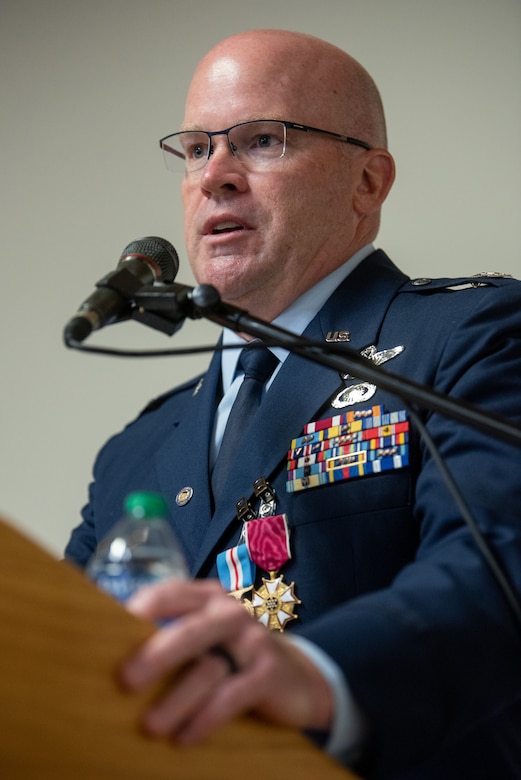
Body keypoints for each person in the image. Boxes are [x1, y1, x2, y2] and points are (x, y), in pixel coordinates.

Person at [65, 29, 521, 779]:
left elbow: (494, 568)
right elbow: (70, 655)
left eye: (261, 141)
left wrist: (314, 677)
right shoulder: (141, 445)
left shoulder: (470, 337)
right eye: (196, 149)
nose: (216, 176)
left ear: (367, 183)